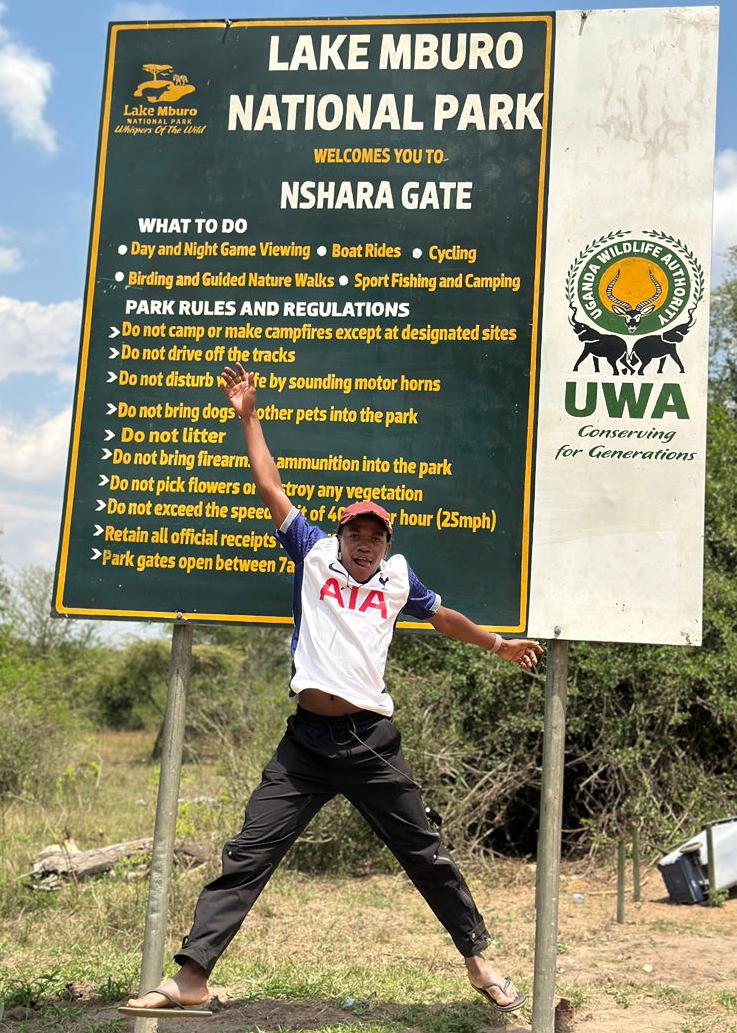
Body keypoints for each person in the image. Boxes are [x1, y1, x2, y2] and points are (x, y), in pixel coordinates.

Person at [125, 362, 543, 1017]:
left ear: (386, 545)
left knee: (424, 855)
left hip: (369, 740)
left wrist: (499, 644)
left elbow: (444, 618)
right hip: (306, 745)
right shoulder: (312, 551)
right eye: (356, 533)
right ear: (340, 535)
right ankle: (193, 977)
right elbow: (269, 483)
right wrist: (249, 415)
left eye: (375, 537)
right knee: (249, 851)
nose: (364, 544)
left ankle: (479, 961)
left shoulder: (399, 582)